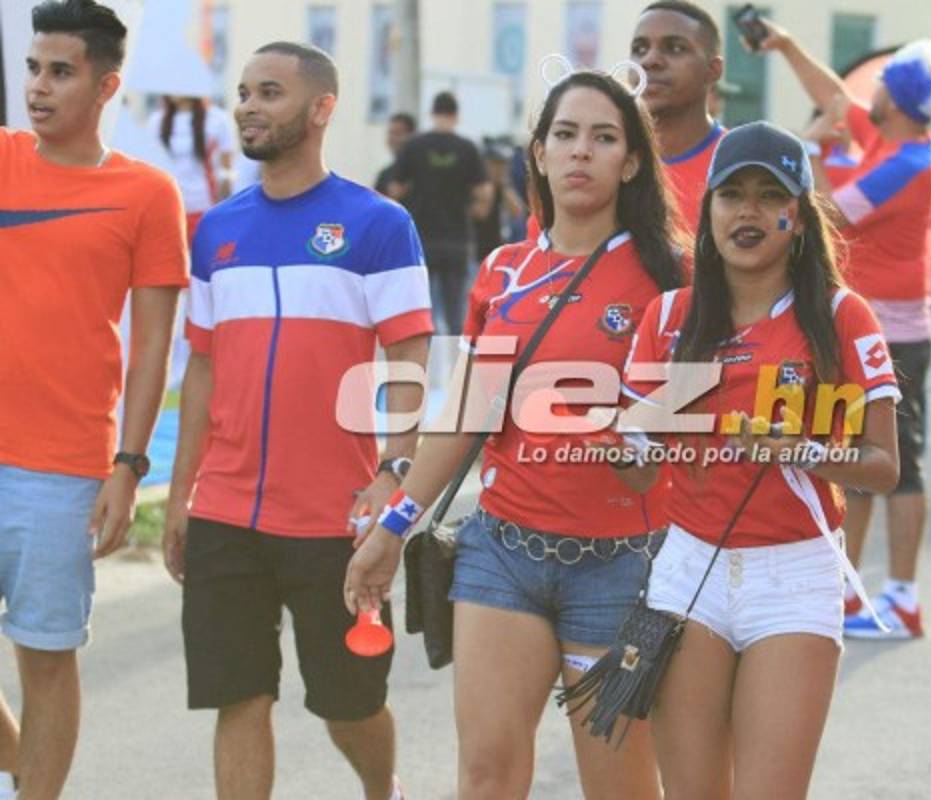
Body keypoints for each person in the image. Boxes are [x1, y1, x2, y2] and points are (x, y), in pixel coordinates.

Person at [345, 70, 686, 799]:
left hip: (622, 566)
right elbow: (467, 413)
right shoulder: (504, 271)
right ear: (538, 152)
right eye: (565, 134)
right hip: (502, 554)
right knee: (486, 776)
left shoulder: (671, 280)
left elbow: (683, 441)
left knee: (619, 788)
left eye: (603, 138)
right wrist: (394, 527)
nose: (581, 151)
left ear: (631, 162)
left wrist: (634, 446)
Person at [162, 42, 431, 800]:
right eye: (244, 92)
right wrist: (182, 494)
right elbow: (203, 368)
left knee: (350, 705)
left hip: (334, 516)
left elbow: (409, 356)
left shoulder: (378, 223)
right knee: (239, 697)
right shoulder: (216, 230)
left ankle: (383, 791)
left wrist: (395, 471)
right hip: (226, 511)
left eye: (269, 92)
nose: (248, 106)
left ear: (321, 109)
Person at [618, 122, 900, 798]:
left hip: (794, 576)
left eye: (769, 196)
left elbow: (884, 466)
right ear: (708, 209)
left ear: (797, 218)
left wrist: (798, 449)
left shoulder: (842, 316)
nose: (747, 212)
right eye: (731, 195)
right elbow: (638, 471)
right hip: (687, 570)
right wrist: (621, 442)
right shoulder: (668, 319)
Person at [0, 2, 188, 797]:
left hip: (61, 469)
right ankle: (21, 770)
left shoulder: (147, 193)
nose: (37, 87)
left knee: (45, 659)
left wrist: (129, 465)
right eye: (33, 69)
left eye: (60, 72)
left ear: (106, 86)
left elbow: (153, 349)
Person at [757, 24, 931, 639]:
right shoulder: (891, 139)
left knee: (899, 465)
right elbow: (833, 96)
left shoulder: (909, 163)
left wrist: (814, 150)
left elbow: (829, 212)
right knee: (852, 459)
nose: (865, 92)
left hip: (895, 334)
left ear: (895, 101)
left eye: (878, 85)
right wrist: (785, 46)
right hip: (869, 325)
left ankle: (902, 597)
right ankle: (848, 590)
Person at [393, 92, 492, 335]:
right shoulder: (467, 148)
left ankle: (424, 359)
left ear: (432, 113)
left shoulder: (414, 145)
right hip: (456, 240)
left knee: (421, 312)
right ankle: (456, 358)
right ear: (456, 116)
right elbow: (484, 193)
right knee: (455, 313)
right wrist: (473, 210)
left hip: (420, 241)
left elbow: (395, 189)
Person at [631, 0, 726, 236]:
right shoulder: (601, 162)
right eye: (640, 49)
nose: (650, 60)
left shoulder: (741, 163)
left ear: (713, 70)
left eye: (674, 48)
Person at [148, 94, 236, 240]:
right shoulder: (156, 121)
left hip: (204, 207)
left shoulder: (217, 119)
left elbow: (226, 170)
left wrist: (224, 208)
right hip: (167, 210)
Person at [374, 111, 415, 200]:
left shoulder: (423, 172)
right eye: (390, 133)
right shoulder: (385, 175)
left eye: (398, 133)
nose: (392, 138)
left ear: (412, 136)